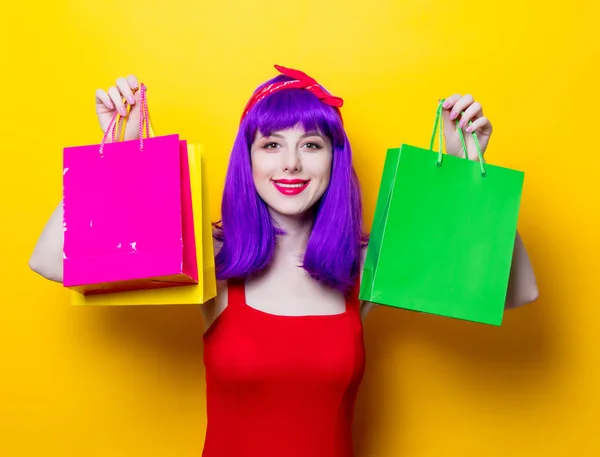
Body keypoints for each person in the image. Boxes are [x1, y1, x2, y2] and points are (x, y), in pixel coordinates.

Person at [29, 65, 539, 457]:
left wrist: (466, 173)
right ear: (247, 159)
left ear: (334, 160)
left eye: (311, 145)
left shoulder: (363, 264)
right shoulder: (215, 257)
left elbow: (514, 291)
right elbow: (52, 260)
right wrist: (117, 157)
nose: (291, 163)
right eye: (271, 144)